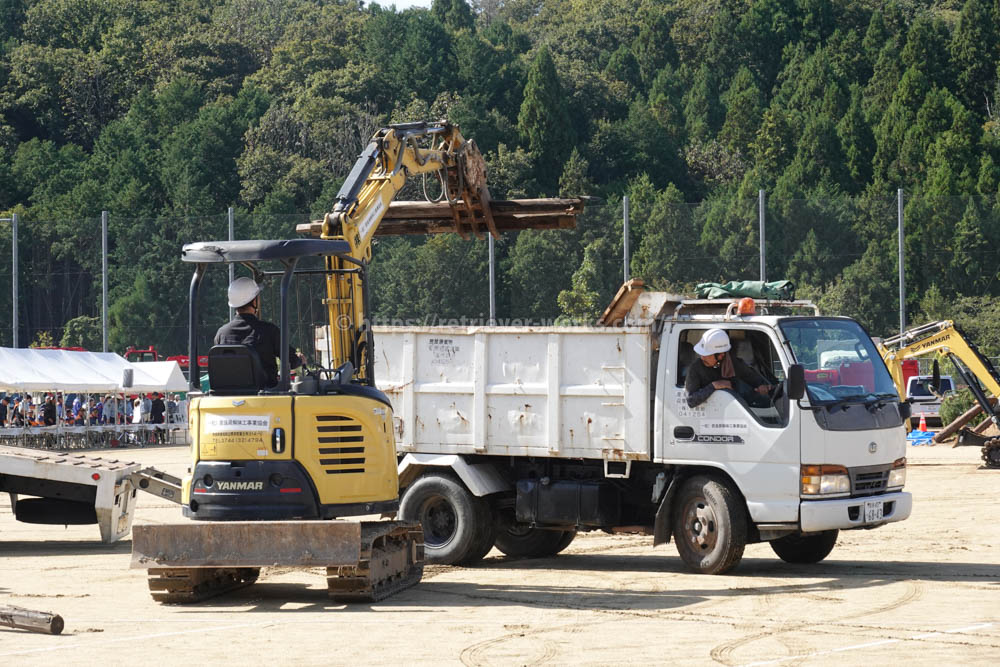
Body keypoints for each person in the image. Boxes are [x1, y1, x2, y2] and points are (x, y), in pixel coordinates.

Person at [214, 277, 305, 387]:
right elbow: (292, 361)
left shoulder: (221, 333)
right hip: (264, 395)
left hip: (228, 395)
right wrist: (300, 359)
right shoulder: (269, 331)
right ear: (254, 301)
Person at [685, 328, 772, 409]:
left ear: (721, 355)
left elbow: (751, 377)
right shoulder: (695, 369)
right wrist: (714, 386)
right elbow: (691, 401)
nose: (703, 357)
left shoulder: (733, 364)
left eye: (707, 354)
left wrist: (761, 386)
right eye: (702, 353)